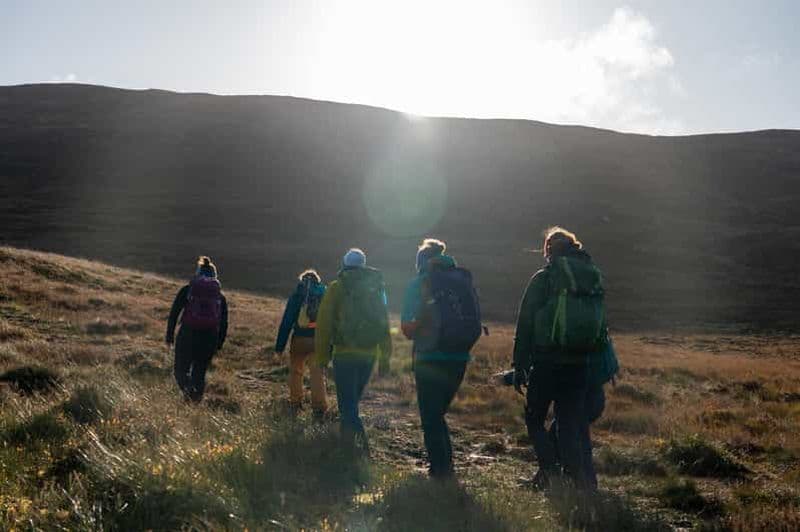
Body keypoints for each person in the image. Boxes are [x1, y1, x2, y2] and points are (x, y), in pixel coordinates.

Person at [512, 227, 606, 492]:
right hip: (581, 363)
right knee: (569, 424)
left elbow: (525, 322)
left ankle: (550, 472)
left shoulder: (545, 278)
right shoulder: (592, 278)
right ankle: (579, 484)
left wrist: (519, 364)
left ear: (549, 251)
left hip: (547, 360)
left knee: (534, 418)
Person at [401, 238, 482, 479]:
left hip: (429, 357)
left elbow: (406, 327)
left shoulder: (419, 283)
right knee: (438, 414)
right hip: (459, 356)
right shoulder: (462, 280)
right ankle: (445, 468)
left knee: (430, 416)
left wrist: (421, 330)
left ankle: (441, 474)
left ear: (421, 261)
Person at [314, 248, 392, 454]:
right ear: (364, 265)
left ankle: (359, 450)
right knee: (352, 404)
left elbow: (324, 324)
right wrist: (385, 359)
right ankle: (347, 445)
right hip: (369, 355)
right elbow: (384, 323)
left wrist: (321, 357)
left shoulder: (336, 287)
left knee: (347, 406)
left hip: (345, 354)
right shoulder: (377, 289)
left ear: (344, 265)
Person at [166, 256, 228, 402]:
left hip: (188, 334)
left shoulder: (188, 289)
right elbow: (224, 322)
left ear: (198, 273)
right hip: (209, 338)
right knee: (199, 373)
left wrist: (169, 336)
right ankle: (194, 402)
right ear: (214, 276)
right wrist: (219, 344)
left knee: (180, 371)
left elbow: (174, 313)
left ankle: (188, 392)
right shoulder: (219, 296)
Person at [275, 269, 328, 417]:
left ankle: (295, 402)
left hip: (299, 339)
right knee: (317, 373)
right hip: (317, 340)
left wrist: (279, 347)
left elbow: (286, 322)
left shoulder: (297, 295)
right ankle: (319, 407)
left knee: (296, 372)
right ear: (318, 280)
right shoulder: (324, 295)